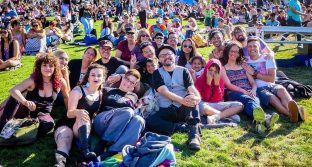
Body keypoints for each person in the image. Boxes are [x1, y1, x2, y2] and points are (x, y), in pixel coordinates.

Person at [146, 45, 202, 151]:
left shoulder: (184, 71)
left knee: (191, 97)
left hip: (182, 108)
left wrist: (197, 98)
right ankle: (180, 127)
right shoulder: (157, 73)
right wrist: (182, 100)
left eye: (169, 54)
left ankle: (194, 136)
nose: (166, 57)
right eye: (163, 55)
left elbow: (191, 88)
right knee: (149, 121)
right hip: (165, 109)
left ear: (174, 56)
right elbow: (163, 91)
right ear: (159, 59)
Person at [0, 53, 69, 136]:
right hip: (26, 110)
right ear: (39, 67)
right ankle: (3, 127)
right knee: (15, 98)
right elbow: (14, 90)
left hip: (42, 114)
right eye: (44, 65)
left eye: (51, 66)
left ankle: (20, 128)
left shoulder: (60, 81)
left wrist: (69, 113)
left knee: (48, 125)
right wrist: (25, 101)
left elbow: (66, 97)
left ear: (55, 68)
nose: (48, 68)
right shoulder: (33, 80)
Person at [244, 37, 306, 122]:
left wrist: (255, 74)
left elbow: (272, 79)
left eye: (255, 46)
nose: (252, 48)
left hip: (271, 84)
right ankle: (293, 115)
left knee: (282, 90)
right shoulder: (245, 62)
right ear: (247, 48)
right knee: (273, 99)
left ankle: (294, 112)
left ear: (259, 47)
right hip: (258, 88)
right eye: (249, 46)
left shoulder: (267, 58)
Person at [222, 41, 279, 132]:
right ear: (227, 52)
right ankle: (266, 119)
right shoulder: (223, 68)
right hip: (233, 93)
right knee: (248, 99)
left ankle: (260, 123)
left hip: (249, 91)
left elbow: (252, 82)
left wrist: (253, 90)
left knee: (254, 99)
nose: (234, 53)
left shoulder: (243, 65)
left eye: (236, 52)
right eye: (231, 51)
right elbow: (228, 85)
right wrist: (244, 91)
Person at [93, 69, 145, 160]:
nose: (128, 83)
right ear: (122, 78)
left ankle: (111, 151)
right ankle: (103, 142)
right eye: (127, 79)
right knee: (128, 111)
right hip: (103, 121)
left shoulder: (132, 97)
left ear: (134, 86)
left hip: (120, 128)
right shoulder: (107, 90)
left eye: (132, 82)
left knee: (139, 120)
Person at [67, 64, 106, 161]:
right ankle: (85, 150)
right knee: (83, 116)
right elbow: (69, 113)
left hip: (91, 127)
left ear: (103, 78)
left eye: (99, 75)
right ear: (88, 77)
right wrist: (77, 112)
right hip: (76, 126)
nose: (96, 77)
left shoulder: (100, 94)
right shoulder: (78, 90)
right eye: (93, 75)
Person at [195, 59, 243, 124]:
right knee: (199, 105)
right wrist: (208, 84)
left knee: (240, 105)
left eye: (216, 71)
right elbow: (206, 98)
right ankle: (227, 115)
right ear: (206, 69)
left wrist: (216, 84)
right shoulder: (200, 79)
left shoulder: (220, 80)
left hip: (217, 104)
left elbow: (217, 99)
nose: (212, 73)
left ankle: (216, 116)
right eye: (211, 70)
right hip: (206, 104)